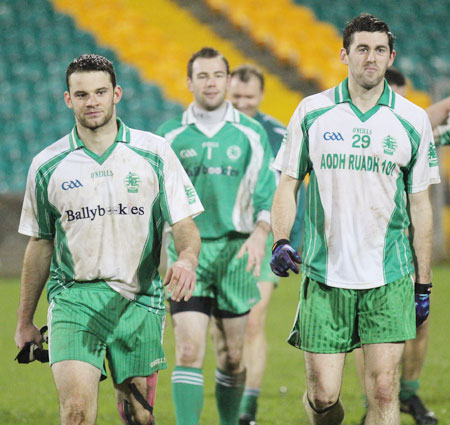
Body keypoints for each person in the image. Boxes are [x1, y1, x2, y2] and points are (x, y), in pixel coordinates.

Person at [14, 54, 204, 425]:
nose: (92, 101)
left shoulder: (154, 153)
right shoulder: (47, 164)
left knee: (139, 417)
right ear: (68, 99)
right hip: (74, 301)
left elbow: (184, 224)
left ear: (116, 93)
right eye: (82, 94)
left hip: (139, 302)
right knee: (76, 412)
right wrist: (25, 320)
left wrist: (187, 259)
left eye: (100, 92)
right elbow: (40, 244)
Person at [270, 13, 440, 425]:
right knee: (323, 396)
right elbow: (288, 184)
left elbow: (420, 206)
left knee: (383, 390)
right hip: (326, 274)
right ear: (344, 54)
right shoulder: (312, 112)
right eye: (362, 49)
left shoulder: (413, 120)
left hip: (389, 276)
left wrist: (423, 282)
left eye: (379, 50)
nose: (371, 57)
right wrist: (280, 239)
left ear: (391, 56)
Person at [157, 47, 276, 425]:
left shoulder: (251, 134)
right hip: (188, 254)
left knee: (232, 355)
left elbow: (267, 195)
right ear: (189, 82)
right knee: (189, 349)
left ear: (228, 80)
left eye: (217, 75)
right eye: (202, 76)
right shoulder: (168, 136)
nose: (210, 83)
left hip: (237, 253)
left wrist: (260, 234)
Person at [353, 66, 445, 425]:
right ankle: (372, 402)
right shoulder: (360, 132)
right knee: (368, 334)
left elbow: (435, 115)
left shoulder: (412, 128)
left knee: (421, 324)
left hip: (408, 244)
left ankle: (408, 393)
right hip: (371, 247)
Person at [228, 64, 305, 425]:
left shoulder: (278, 134)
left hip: (264, 238)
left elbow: (291, 189)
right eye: (236, 96)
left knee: (254, 322)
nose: (242, 103)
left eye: (248, 97)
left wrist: (285, 237)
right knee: (227, 335)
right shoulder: (216, 131)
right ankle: (231, 400)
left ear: (260, 96)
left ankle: (248, 410)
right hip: (224, 242)